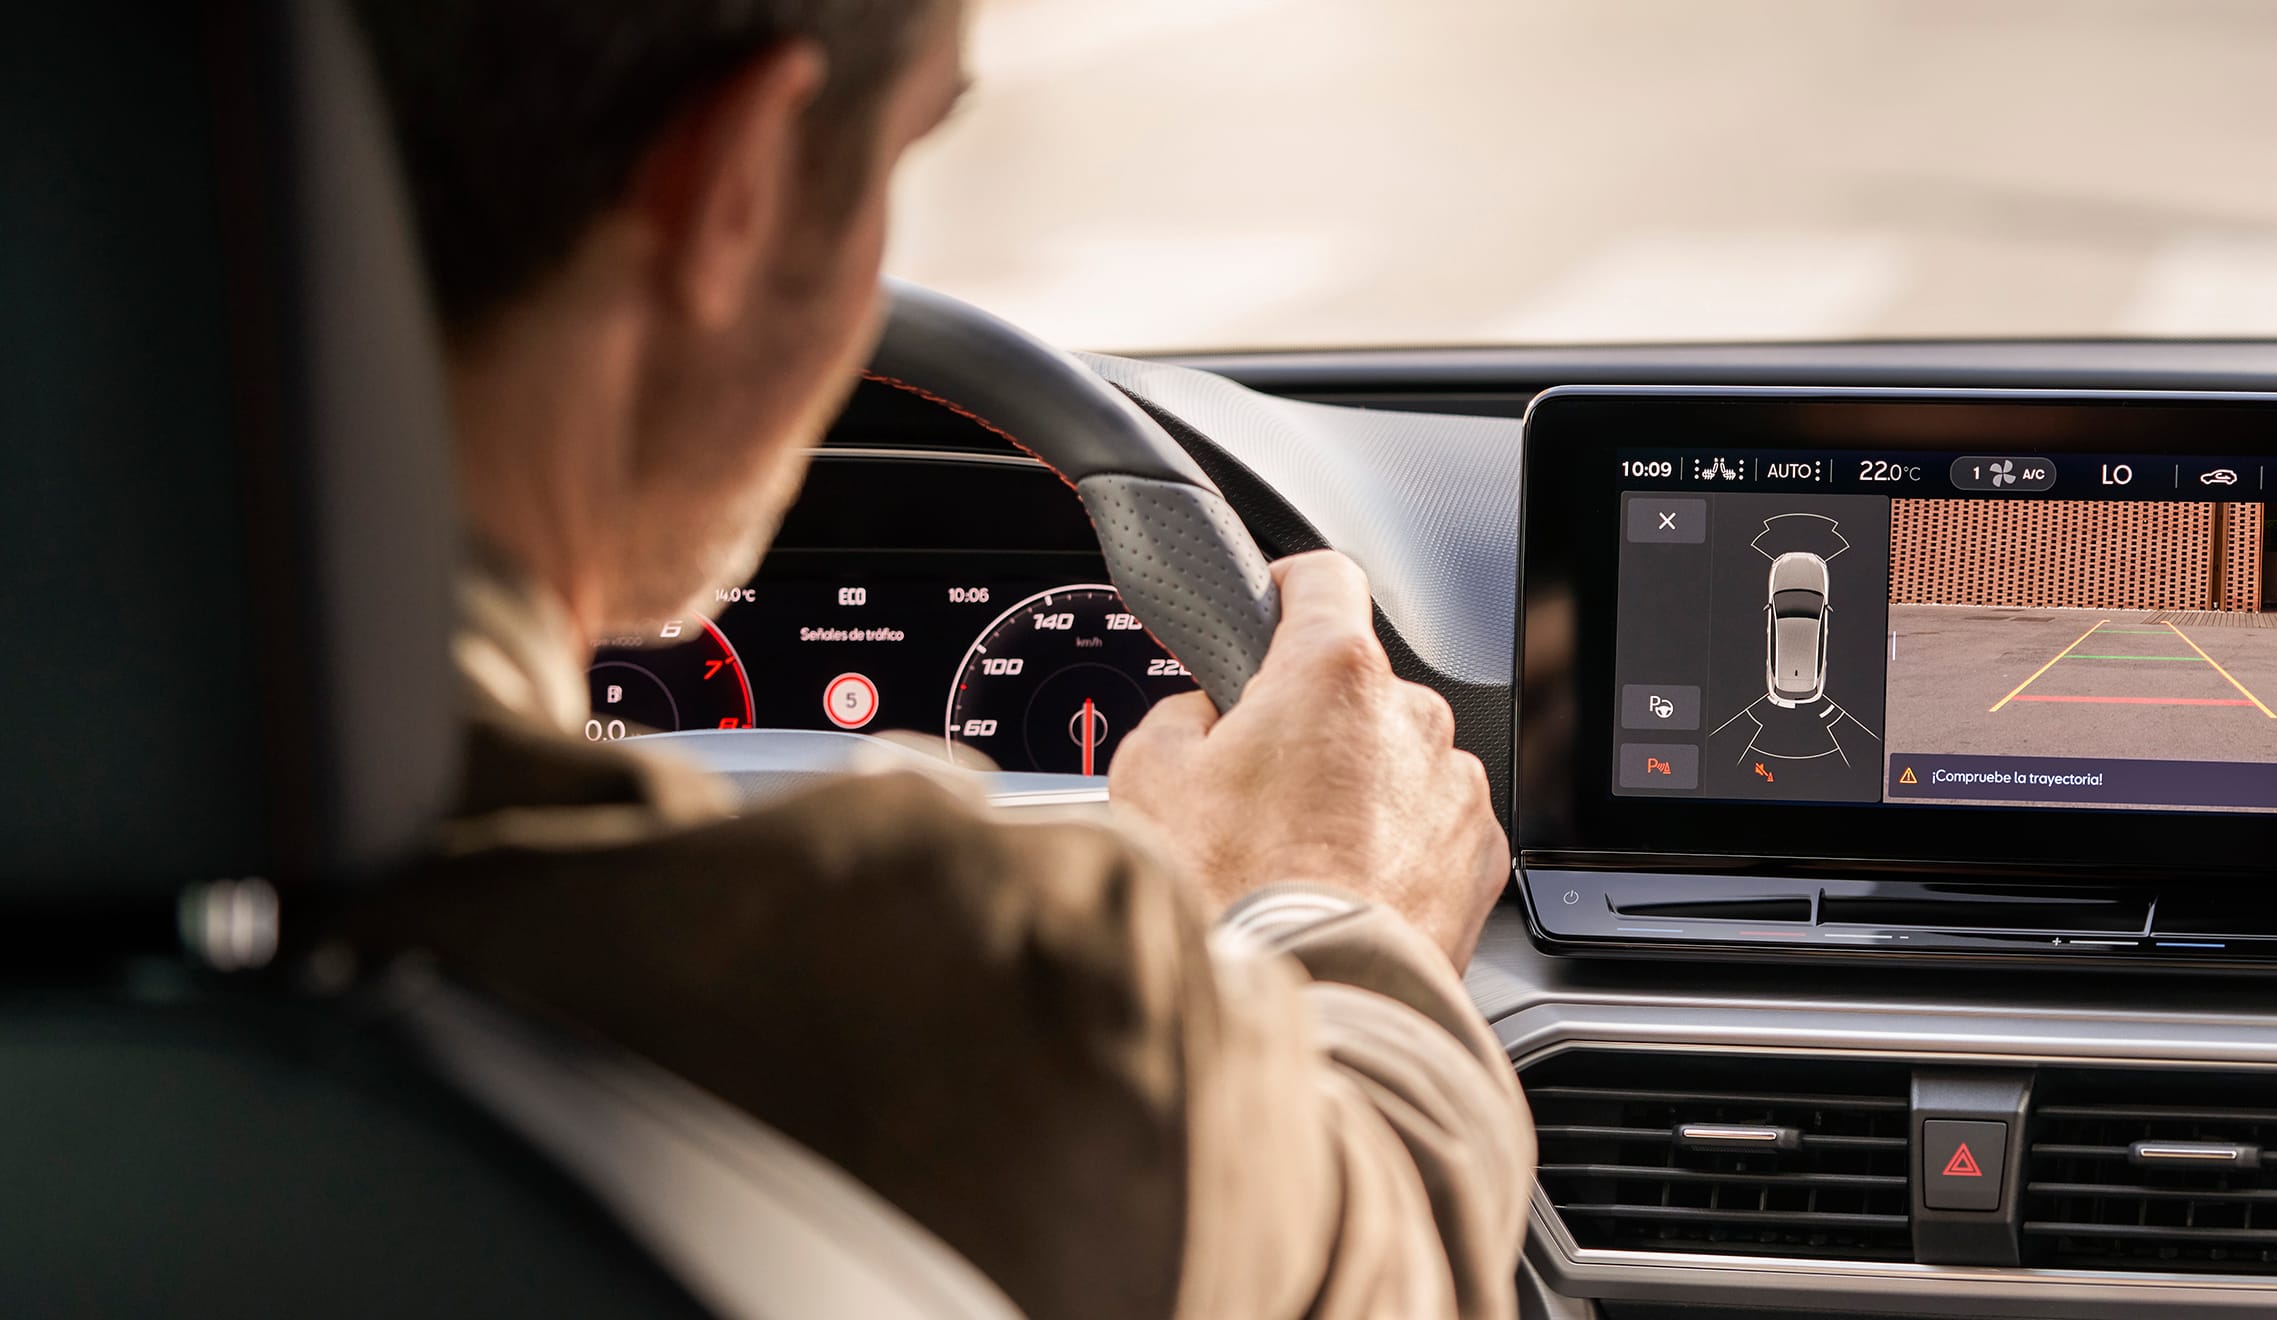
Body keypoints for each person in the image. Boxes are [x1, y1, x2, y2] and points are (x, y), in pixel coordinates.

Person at [336, 3, 1527, 1317]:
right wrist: (1325, 902)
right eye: (900, 157)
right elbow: (1384, 1255)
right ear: (736, 183)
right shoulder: (955, 1008)